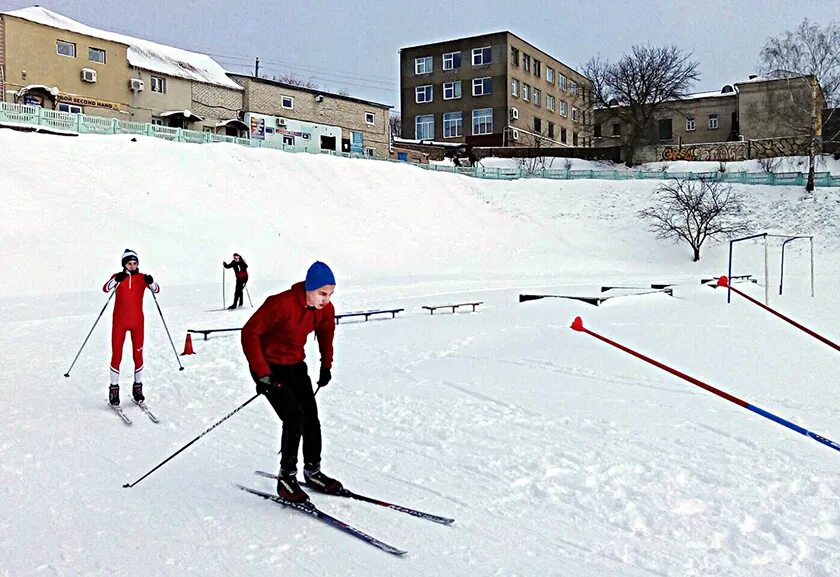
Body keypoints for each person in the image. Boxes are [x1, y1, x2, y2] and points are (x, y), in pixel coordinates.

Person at [241, 261, 341, 503]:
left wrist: (326, 365)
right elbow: (249, 333)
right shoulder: (280, 303)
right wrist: (262, 374)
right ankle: (286, 478)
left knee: (311, 417)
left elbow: (327, 334)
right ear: (309, 287)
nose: (326, 299)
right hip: (269, 368)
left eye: (330, 294)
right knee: (294, 417)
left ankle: (313, 471)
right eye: (322, 293)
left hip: (295, 365)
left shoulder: (324, 310)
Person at [103, 249, 159, 406]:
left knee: (138, 355)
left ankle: (138, 388)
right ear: (124, 264)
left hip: (137, 323)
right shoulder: (117, 277)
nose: (133, 266)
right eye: (129, 263)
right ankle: (114, 389)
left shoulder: (142, 278)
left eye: (135, 263)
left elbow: (156, 289)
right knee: (117, 355)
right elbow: (106, 288)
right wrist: (117, 280)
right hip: (119, 323)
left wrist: (151, 281)